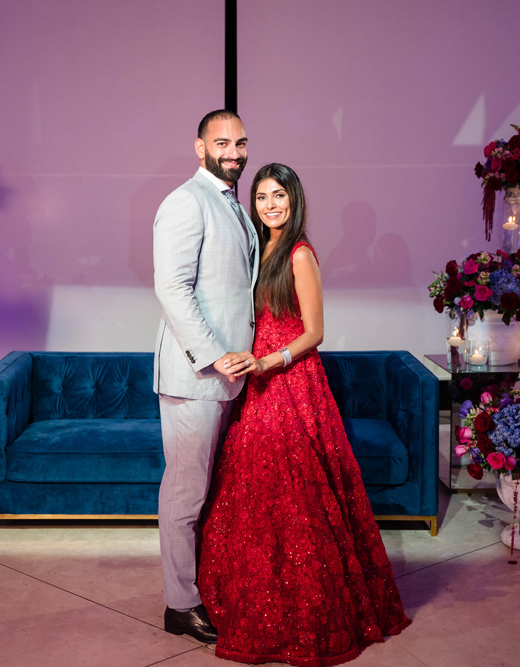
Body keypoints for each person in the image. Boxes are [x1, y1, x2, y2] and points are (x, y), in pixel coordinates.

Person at [198, 163, 411, 666]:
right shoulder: (260, 248)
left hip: (291, 381)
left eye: (280, 196)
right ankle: (257, 600)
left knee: (300, 497)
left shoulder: (300, 252)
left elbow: (315, 331)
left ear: (295, 200)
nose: (271, 205)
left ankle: (307, 609)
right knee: (254, 493)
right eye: (263, 197)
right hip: (257, 382)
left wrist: (272, 360)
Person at [153, 109, 260, 643]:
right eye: (222, 142)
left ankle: (205, 587)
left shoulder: (235, 207)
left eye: (240, 143)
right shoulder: (185, 202)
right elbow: (173, 289)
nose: (234, 152)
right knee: (185, 494)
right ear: (199, 147)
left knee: (211, 493)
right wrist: (216, 355)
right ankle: (179, 606)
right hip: (195, 376)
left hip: (231, 377)